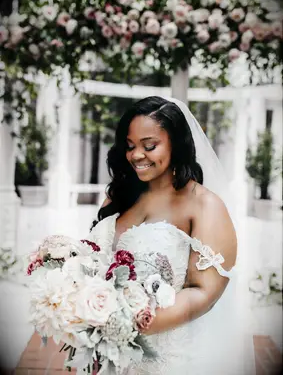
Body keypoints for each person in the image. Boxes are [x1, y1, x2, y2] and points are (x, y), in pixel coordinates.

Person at [89, 96, 255, 374]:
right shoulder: (118, 197)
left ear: (177, 143)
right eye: (130, 146)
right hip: (107, 353)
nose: (136, 155)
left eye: (149, 146)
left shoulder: (203, 205)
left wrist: (128, 324)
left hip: (165, 358)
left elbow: (205, 292)